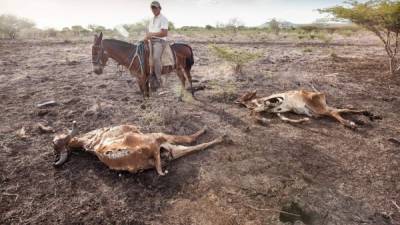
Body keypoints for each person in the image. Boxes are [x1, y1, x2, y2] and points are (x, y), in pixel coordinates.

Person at [145, 1, 169, 90]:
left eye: (155, 7)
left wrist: (151, 35)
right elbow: (148, 31)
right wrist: (147, 36)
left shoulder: (163, 19)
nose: (154, 9)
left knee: (155, 58)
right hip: (150, 40)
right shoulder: (151, 19)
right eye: (152, 8)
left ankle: (158, 79)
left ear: (159, 8)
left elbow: (164, 33)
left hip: (159, 41)